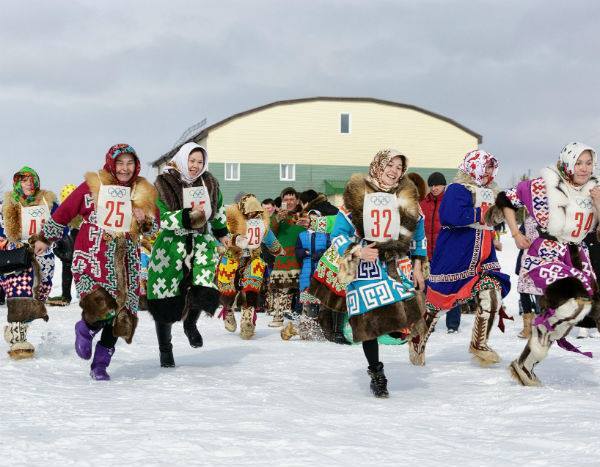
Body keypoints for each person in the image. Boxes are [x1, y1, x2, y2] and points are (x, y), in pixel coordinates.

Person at [36, 144, 158, 379]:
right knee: (102, 305)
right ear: (111, 163)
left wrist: (145, 219)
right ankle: (85, 328)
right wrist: (45, 238)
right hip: (95, 255)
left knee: (122, 315)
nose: (124, 169)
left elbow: (155, 228)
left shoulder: (143, 192)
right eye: (120, 163)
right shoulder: (94, 185)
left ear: (136, 165)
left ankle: (100, 364)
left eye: (129, 163)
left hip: (126, 261)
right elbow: (65, 212)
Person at [325, 149, 427, 397]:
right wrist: (358, 251)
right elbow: (337, 234)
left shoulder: (407, 198)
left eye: (399, 167)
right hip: (364, 267)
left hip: (395, 263)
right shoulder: (356, 197)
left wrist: (418, 266)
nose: (394, 171)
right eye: (389, 165)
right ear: (378, 166)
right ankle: (376, 373)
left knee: (405, 314)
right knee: (368, 322)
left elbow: (419, 236)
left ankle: (407, 340)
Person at [498, 142, 600, 386]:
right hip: (546, 253)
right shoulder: (544, 185)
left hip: (577, 255)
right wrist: (515, 233)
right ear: (567, 162)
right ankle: (528, 359)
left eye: (588, 163)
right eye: (579, 162)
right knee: (571, 303)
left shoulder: (593, 190)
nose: (584, 168)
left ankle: (526, 363)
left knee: (578, 311)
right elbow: (506, 199)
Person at [410, 150, 511, 367]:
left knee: (492, 294)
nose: (490, 172)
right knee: (437, 304)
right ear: (475, 166)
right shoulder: (458, 188)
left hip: (483, 255)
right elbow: (450, 215)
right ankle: (418, 339)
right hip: (455, 256)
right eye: (487, 166)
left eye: (493, 167)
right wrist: (482, 214)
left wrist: (500, 215)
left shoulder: (489, 191)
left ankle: (479, 343)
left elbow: (491, 220)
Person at [147, 142, 229, 367]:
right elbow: (160, 217)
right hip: (172, 245)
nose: (195, 166)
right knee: (165, 296)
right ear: (183, 159)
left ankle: (190, 324)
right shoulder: (164, 183)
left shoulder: (209, 182)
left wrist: (222, 233)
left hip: (201, 242)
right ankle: (166, 349)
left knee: (203, 286)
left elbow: (219, 210)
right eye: (192, 161)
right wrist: (185, 216)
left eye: (200, 162)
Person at [1, 167, 57, 359]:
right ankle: (18, 342)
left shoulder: (48, 202)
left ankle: (16, 329)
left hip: (44, 257)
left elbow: (62, 224)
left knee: (38, 298)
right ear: (17, 183)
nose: (29, 184)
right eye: (24, 180)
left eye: (32, 180)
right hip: (18, 256)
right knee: (20, 294)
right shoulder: (8, 205)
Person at [217, 193, 283, 339]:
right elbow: (219, 235)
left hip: (252, 258)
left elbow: (269, 238)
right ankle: (227, 309)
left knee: (253, 283)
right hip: (232, 257)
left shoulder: (260, 223)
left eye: (255, 211)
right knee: (228, 287)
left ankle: (248, 317)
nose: (252, 214)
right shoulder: (229, 220)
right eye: (249, 211)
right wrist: (219, 246)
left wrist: (278, 249)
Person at [420, 171, 462, 333]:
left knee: (450, 287)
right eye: (431, 185)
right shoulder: (423, 204)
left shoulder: (451, 202)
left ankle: (453, 324)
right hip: (427, 253)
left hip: (447, 254)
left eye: (437, 184)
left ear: (444, 185)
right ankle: (429, 321)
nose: (434, 188)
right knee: (428, 289)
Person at [268, 187, 307, 327]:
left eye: (292, 199)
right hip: (284, 256)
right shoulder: (277, 217)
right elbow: (269, 232)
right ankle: (278, 316)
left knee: (301, 287)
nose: (289, 202)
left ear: (297, 200)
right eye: (286, 199)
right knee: (282, 287)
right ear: (282, 201)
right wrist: (278, 218)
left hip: (302, 255)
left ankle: (302, 318)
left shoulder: (304, 215)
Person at [47, 183, 80, 307]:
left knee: (80, 269)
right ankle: (66, 295)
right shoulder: (62, 213)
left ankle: (82, 294)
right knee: (67, 267)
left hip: (79, 251)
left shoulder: (82, 214)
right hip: (67, 251)